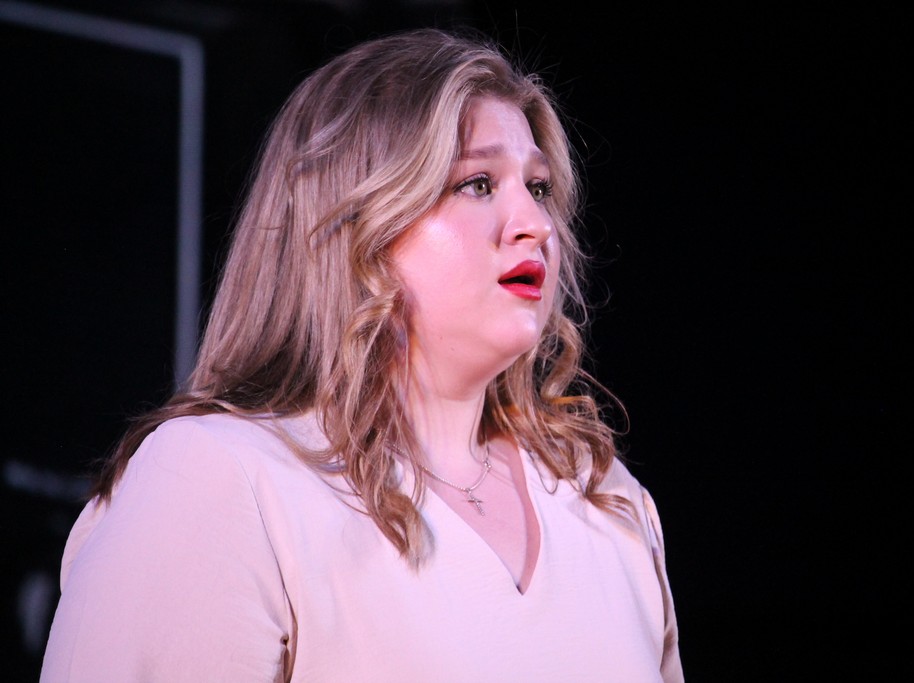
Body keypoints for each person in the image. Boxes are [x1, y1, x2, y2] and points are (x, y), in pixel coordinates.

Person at [40, 26, 684, 682]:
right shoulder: (222, 479)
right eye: (478, 183)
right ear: (358, 224)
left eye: (539, 188)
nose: (537, 225)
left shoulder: (606, 501)